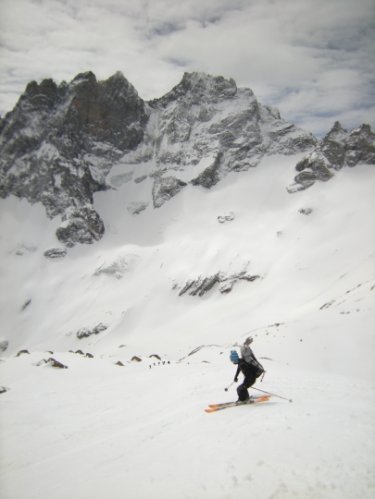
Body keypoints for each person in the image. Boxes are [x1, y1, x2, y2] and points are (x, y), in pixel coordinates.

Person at [230, 337, 264, 402]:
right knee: (242, 388)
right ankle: (246, 398)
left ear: (234, 360)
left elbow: (249, 374)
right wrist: (236, 377)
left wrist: (245, 383)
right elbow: (238, 369)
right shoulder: (241, 362)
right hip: (250, 379)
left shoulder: (242, 364)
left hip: (251, 379)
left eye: (232, 360)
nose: (233, 362)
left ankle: (242, 400)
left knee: (240, 389)